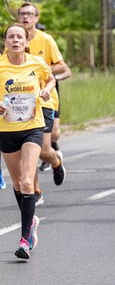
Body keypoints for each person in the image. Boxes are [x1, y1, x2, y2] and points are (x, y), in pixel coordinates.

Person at [0, 23, 56, 259]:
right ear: (5, 42)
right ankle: (31, 219)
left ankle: (24, 240)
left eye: (19, 37)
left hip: (32, 127)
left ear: (25, 41)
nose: (15, 40)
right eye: (11, 36)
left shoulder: (36, 62)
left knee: (26, 181)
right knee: (15, 183)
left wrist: (46, 91)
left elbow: (51, 79)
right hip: (6, 129)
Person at [17, 2, 69, 206]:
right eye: (22, 14)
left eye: (30, 14)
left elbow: (62, 66)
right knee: (24, 148)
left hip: (45, 100)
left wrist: (40, 68)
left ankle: (56, 162)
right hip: (21, 101)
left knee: (43, 150)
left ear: (36, 18)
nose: (25, 18)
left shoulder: (46, 40)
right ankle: (35, 192)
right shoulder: (14, 40)